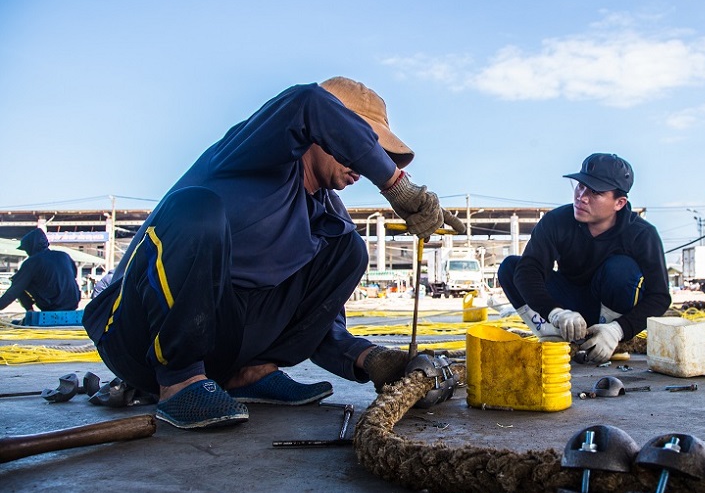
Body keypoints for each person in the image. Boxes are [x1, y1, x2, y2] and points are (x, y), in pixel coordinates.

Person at [83, 77, 464, 430]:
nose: (363, 165)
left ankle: (251, 373)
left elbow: (318, 322)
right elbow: (307, 102)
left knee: (351, 249)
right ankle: (179, 382)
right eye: (361, 146)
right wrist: (399, 187)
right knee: (195, 209)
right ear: (323, 132)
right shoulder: (249, 156)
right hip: (133, 335)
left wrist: (371, 358)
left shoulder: (328, 217)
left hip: (220, 350)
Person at [497, 153, 672, 363]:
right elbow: (529, 270)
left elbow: (659, 296)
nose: (582, 196)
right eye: (580, 186)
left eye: (595, 192)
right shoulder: (556, 221)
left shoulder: (642, 234)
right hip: (568, 308)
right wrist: (555, 313)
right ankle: (552, 335)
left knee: (621, 270)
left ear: (619, 202)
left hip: (609, 311)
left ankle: (605, 341)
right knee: (512, 267)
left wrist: (619, 330)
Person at [0, 229, 81, 313]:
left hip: (52, 305)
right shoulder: (64, 256)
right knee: (22, 280)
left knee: (18, 281)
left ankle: (30, 311)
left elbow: (14, 291)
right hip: (73, 303)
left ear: (30, 247)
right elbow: (73, 274)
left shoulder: (32, 262)